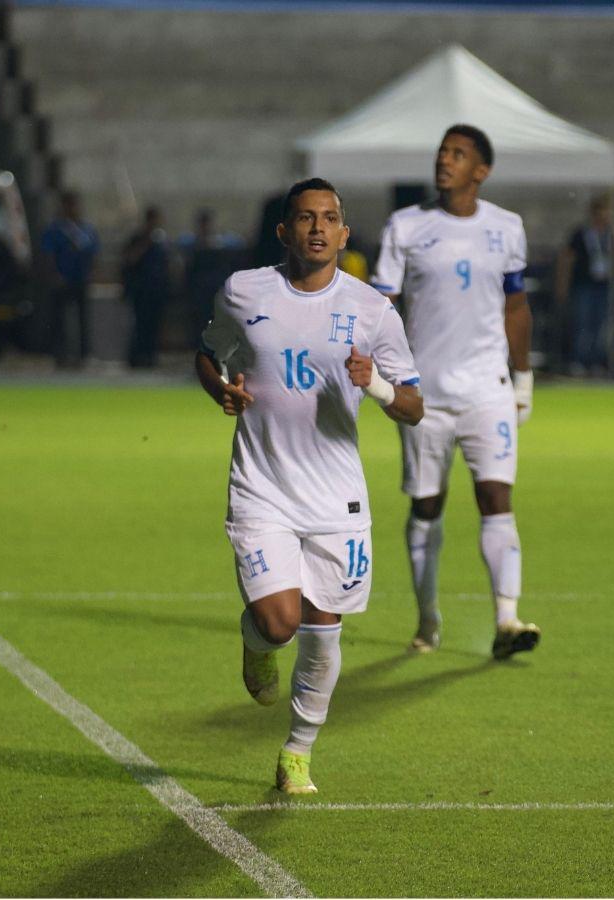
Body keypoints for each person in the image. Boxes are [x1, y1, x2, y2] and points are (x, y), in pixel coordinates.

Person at [195, 178, 423, 795]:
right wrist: (220, 387)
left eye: (329, 219)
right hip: (262, 488)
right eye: (305, 218)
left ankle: (297, 752)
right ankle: (255, 640)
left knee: (323, 637)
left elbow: (413, 406)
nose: (317, 228)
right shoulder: (245, 291)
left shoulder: (373, 310)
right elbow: (209, 352)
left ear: (345, 234)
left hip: (336, 500)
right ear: (285, 231)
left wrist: (374, 384)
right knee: (279, 623)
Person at [371, 124, 539, 660]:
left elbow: (515, 306)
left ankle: (508, 619)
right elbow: (382, 307)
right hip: (425, 396)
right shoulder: (406, 226)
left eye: (458, 154)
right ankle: (427, 616)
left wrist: (524, 376)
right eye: (442, 151)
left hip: (488, 390)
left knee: (496, 497)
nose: (445, 160)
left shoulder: (507, 228)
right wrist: (384, 377)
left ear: (481, 171)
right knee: (427, 505)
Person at [557, 196, 614, 376]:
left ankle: (596, 361)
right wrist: (562, 285)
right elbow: (567, 259)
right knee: (583, 324)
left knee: (601, 326)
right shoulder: (581, 233)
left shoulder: (610, 234)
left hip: (603, 284)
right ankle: (578, 360)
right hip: (584, 284)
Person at [40, 191, 99, 368]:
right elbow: (48, 255)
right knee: (60, 320)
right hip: (62, 280)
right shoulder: (56, 229)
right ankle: (60, 355)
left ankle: (83, 355)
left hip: (80, 278)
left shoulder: (87, 229)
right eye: (69, 205)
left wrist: (92, 273)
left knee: (82, 319)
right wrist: (55, 275)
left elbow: (93, 253)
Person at [122, 206, 171, 368]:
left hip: (157, 289)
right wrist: (145, 244)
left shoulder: (161, 240)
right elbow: (130, 260)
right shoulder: (138, 238)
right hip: (141, 289)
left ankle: (151, 356)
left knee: (154, 325)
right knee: (140, 324)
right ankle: (136, 357)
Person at [183, 208, 231, 343]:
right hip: (198, 288)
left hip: (214, 287)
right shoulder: (193, 243)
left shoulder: (218, 243)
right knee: (198, 318)